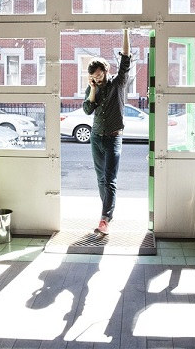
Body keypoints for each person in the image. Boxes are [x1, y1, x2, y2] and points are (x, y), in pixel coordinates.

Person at [83, 28, 131, 235]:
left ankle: (104, 219)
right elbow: (87, 110)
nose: (99, 79)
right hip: (96, 138)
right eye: (94, 77)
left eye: (100, 75)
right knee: (100, 179)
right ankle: (108, 214)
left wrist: (126, 31)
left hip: (113, 139)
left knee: (110, 179)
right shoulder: (93, 88)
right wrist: (93, 89)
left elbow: (126, 59)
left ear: (105, 70)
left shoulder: (118, 83)